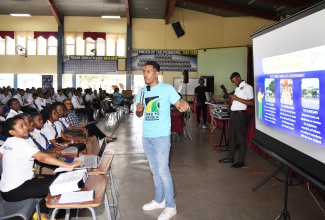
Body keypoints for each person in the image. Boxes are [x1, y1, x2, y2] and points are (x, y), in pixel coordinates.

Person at [135, 61, 189, 220]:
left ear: (156, 73)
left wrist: (184, 106)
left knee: (163, 170)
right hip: (147, 136)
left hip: (161, 137)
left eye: (148, 72)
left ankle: (171, 205)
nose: (145, 74)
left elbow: (180, 105)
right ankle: (160, 200)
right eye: (144, 72)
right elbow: (139, 114)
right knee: (154, 170)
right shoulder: (142, 91)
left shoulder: (167, 89)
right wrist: (138, 111)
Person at [0, 115, 82, 220]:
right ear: (12, 132)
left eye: (25, 124)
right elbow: (42, 158)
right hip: (17, 189)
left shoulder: (9, 142)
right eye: (21, 126)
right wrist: (68, 165)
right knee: (62, 184)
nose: (25, 127)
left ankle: (43, 213)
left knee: (56, 178)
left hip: (7, 190)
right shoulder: (20, 143)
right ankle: (51, 215)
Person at [219, 72, 254, 168]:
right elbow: (235, 101)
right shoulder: (237, 88)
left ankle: (241, 161)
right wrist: (230, 99)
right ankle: (230, 157)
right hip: (233, 114)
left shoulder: (248, 87)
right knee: (232, 136)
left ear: (239, 77)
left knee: (241, 138)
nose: (234, 84)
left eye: (235, 81)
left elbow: (252, 103)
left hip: (241, 115)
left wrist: (237, 98)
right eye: (233, 82)